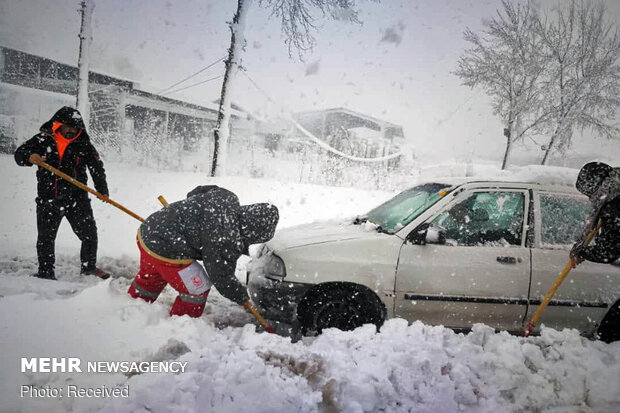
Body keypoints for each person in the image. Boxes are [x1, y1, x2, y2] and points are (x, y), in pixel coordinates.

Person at [128, 185, 279, 318]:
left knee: (151, 278)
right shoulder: (226, 236)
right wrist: (240, 296)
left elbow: (198, 191)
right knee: (197, 288)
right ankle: (182, 325)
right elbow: (221, 275)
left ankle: (131, 307)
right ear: (253, 233)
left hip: (149, 230)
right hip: (165, 249)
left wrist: (193, 215)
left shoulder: (227, 197)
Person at [14, 106, 110, 280]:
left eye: (75, 127)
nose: (72, 130)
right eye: (68, 126)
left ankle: (89, 268)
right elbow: (19, 154)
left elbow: (96, 167)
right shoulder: (43, 140)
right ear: (58, 124)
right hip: (49, 198)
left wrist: (102, 189)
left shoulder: (83, 143)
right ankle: (46, 271)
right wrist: (30, 157)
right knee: (46, 238)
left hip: (78, 198)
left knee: (89, 234)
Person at [570, 162, 620, 266]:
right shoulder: (614, 191)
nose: (591, 199)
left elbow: (606, 253)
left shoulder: (614, 207)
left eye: (590, 194)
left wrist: (582, 252)